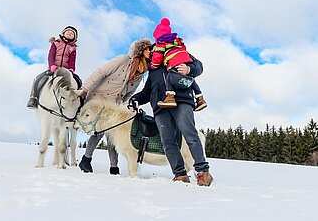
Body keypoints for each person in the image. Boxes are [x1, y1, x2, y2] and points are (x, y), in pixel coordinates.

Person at [128, 45, 213, 186]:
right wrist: (135, 100)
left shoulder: (178, 53)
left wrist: (189, 69)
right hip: (161, 108)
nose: (154, 52)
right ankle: (180, 174)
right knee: (168, 141)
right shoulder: (153, 71)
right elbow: (146, 92)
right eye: (152, 51)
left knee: (189, 134)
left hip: (182, 102)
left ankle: (203, 172)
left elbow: (199, 66)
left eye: (155, 49)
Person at [78, 38, 152, 175]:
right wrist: (85, 88)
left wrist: (127, 108)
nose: (151, 52)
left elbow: (129, 94)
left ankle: (113, 167)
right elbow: (100, 72)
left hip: (114, 105)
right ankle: (86, 159)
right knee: (100, 132)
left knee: (113, 133)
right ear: (140, 52)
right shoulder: (123, 60)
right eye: (148, 49)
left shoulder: (140, 75)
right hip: (98, 99)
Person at [150, 18, 207, 111]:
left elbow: (157, 58)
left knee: (169, 77)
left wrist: (153, 65)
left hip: (183, 99)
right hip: (185, 60)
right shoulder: (177, 43)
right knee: (191, 80)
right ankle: (200, 99)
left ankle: (170, 97)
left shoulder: (161, 44)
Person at [27, 25, 81, 109]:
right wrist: (52, 65)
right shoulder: (56, 43)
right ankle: (33, 98)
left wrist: (71, 69)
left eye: (72, 34)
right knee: (38, 78)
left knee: (78, 81)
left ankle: (81, 102)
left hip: (65, 70)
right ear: (63, 33)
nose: (69, 34)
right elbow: (51, 55)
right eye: (68, 32)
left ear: (74, 38)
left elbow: (72, 60)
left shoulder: (72, 48)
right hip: (54, 68)